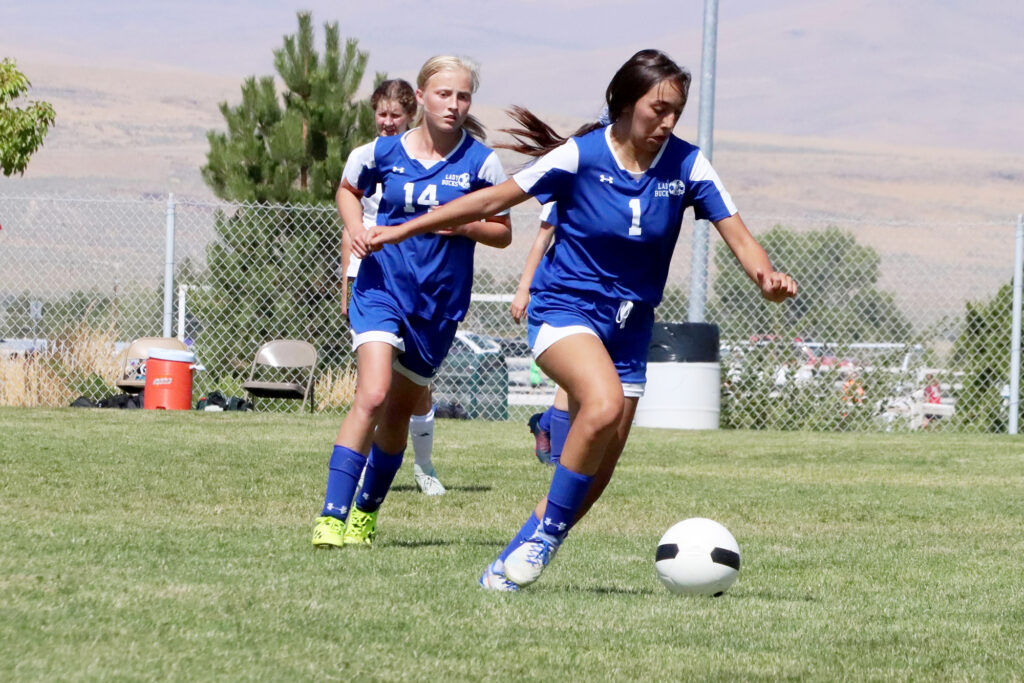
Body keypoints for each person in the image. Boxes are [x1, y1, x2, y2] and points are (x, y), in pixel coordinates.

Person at [359, 49, 797, 589]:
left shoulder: (687, 164)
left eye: (676, 112)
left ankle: (520, 553)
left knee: (600, 466)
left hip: (631, 326)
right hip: (565, 310)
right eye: (657, 109)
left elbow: (738, 233)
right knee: (603, 403)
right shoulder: (579, 156)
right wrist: (403, 228)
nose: (667, 122)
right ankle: (540, 542)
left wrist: (767, 278)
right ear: (624, 101)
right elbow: (491, 200)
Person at [312, 55, 512, 549]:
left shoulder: (481, 162)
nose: (454, 104)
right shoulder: (381, 152)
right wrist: (355, 226)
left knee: (398, 413)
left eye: (463, 96)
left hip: (438, 305)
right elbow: (347, 189)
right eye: (444, 94)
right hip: (382, 287)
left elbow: (503, 232)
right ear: (420, 97)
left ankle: (365, 513)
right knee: (374, 393)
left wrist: (462, 223)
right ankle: (331, 516)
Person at [339, 78, 446, 496]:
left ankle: (424, 466)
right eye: (380, 114)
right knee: (373, 385)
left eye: (394, 115)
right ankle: (361, 468)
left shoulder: (431, 161)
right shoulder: (365, 158)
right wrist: (346, 286)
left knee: (416, 391)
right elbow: (353, 227)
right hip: (375, 280)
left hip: (420, 284)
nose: (386, 122)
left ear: (411, 115)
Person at [513, 202, 570, 465]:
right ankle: (560, 460)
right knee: (573, 379)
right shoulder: (569, 183)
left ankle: (545, 424)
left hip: (606, 298)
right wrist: (524, 289)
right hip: (560, 296)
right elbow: (542, 240)